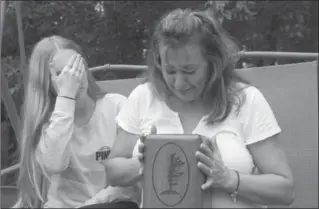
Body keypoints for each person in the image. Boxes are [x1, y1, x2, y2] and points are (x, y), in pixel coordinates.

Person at [103, 8, 295, 208]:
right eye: (169, 70)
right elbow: (113, 172)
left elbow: (285, 190)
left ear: (214, 63)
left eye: (189, 70)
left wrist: (229, 179)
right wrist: (141, 164)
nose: (178, 83)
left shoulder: (246, 100)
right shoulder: (143, 97)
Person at [13, 35, 139, 208]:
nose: (73, 78)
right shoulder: (50, 123)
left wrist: (89, 206)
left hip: (110, 204)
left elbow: (126, 185)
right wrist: (65, 96)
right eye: (62, 73)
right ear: (47, 82)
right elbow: (54, 164)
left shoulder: (117, 107)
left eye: (76, 67)